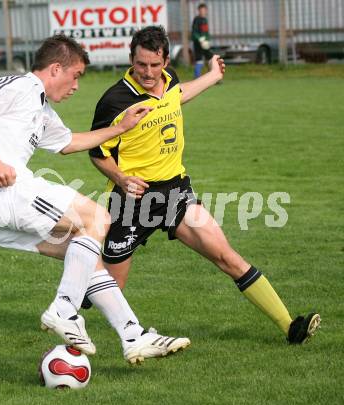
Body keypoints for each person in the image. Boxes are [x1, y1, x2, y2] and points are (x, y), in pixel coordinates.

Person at [0, 34, 190, 364]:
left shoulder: (41, 108)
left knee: (86, 257)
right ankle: (64, 309)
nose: (76, 85)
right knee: (98, 220)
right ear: (56, 68)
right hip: (3, 194)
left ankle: (133, 336)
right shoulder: (17, 86)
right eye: (76, 75)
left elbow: (69, 143)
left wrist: (120, 129)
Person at [88, 26, 321, 345]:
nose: (148, 72)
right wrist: (121, 178)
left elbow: (179, 96)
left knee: (227, 256)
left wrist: (213, 76)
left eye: (155, 65)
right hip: (131, 202)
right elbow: (97, 152)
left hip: (174, 193)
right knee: (109, 289)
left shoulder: (169, 80)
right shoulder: (114, 101)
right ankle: (74, 319)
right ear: (131, 59)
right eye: (141, 64)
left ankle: (290, 326)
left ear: (166, 60)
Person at [191, 3, 213, 78]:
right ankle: (197, 78)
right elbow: (194, 32)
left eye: (204, 10)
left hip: (205, 43)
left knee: (211, 59)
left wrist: (207, 40)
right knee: (199, 61)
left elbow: (206, 32)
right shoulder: (197, 20)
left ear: (206, 11)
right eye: (201, 10)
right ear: (199, 11)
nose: (203, 12)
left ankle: (212, 78)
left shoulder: (205, 20)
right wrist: (199, 39)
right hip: (198, 44)